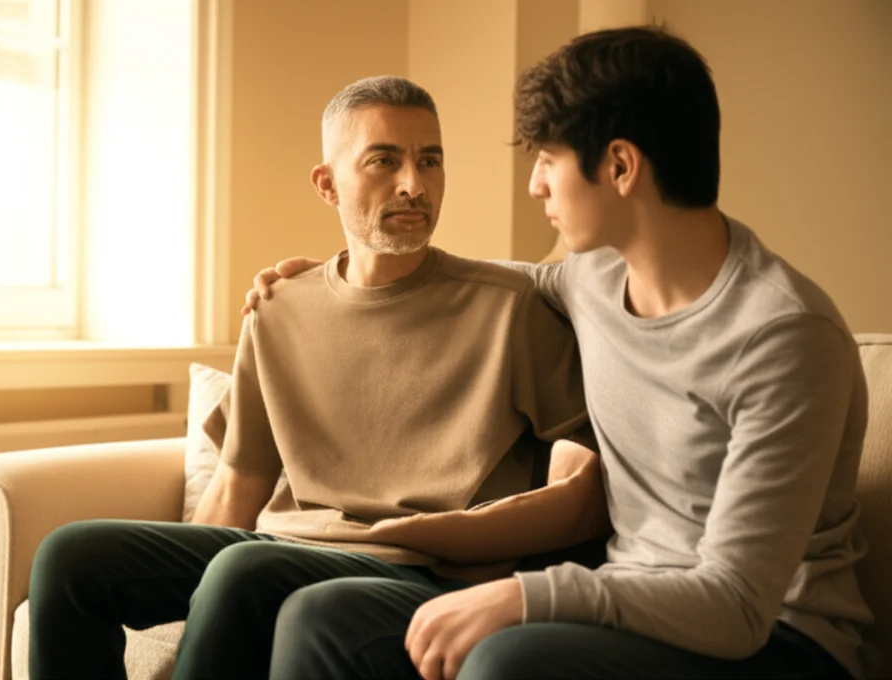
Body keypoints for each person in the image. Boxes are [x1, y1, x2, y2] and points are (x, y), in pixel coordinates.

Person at [243, 26, 876, 680]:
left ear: (620, 167)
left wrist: (528, 594)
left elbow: (737, 604)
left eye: (548, 159)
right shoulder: (591, 279)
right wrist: (332, 274)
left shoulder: (785, 337)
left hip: (779, 638)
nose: (536, 186)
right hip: (632, 603)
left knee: (506, 660)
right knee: (323, 617)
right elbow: (460, 278)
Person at [27, 76, 607, 680]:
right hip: (280, 551)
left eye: (429, 160)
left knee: (244, 572)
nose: (414, 184)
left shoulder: (510, 308)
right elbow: (236, 488)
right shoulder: (277, 308)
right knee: (70, 557)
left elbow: (586, 486)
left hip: (417, 569)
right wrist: (189, 590)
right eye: (384, 160)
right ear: (328, 184)